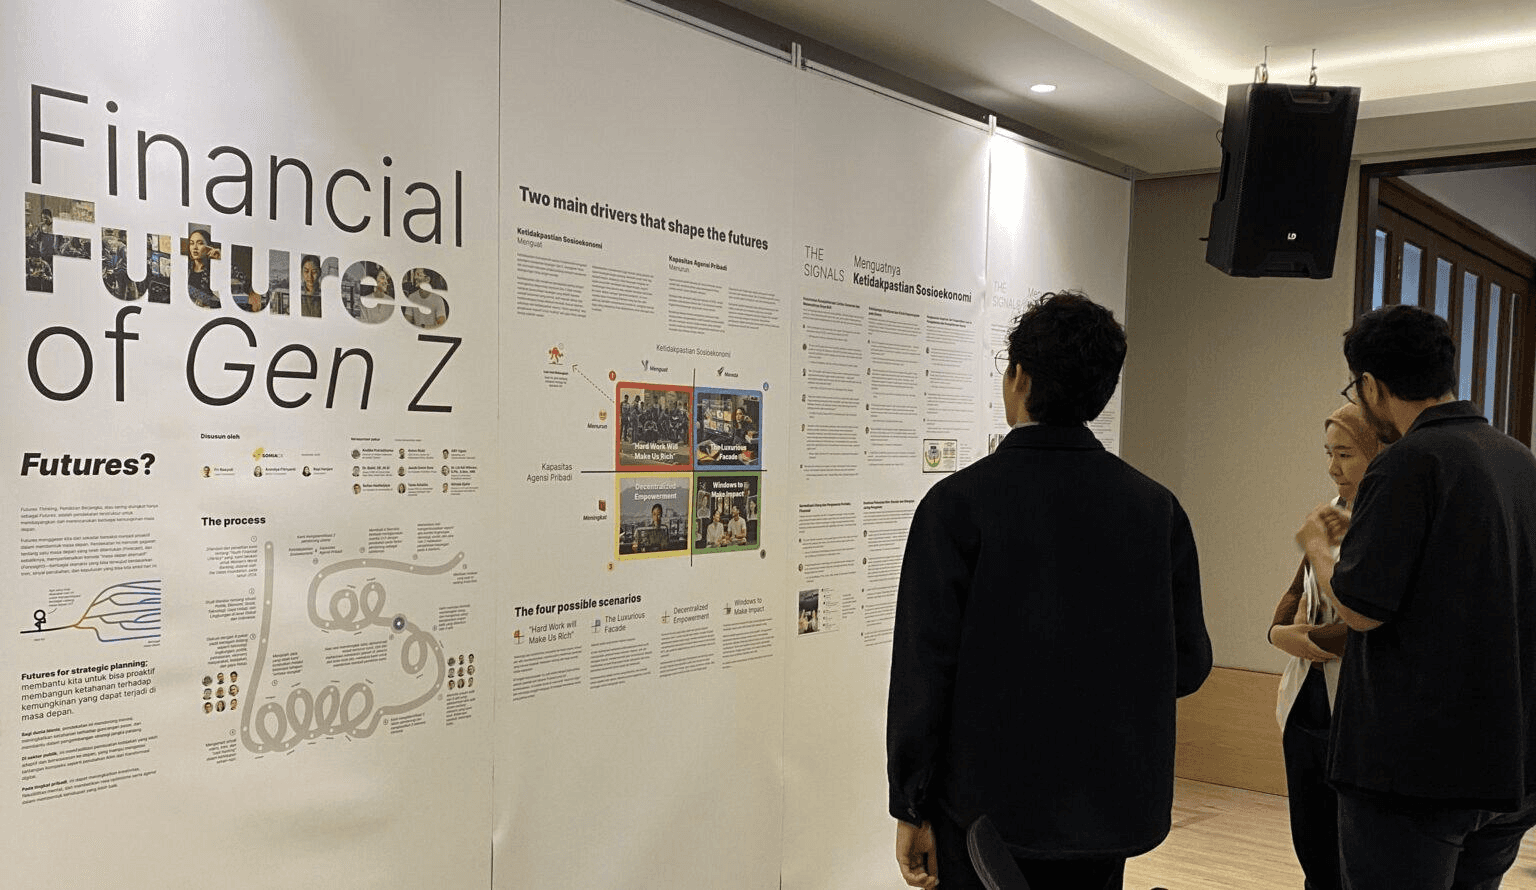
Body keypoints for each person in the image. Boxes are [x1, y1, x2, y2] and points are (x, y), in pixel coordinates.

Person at [887, 291, 1211, 890]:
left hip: (982, 813)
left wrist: (910, 803)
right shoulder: (1155, 509)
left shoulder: (957, 505)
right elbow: (1188, 664)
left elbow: (923, 672)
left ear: (1020, 378)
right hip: (1109, 811)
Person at [1296, 305, 1536, 889]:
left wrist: (1319, 548)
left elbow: (1361, 610)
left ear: (1371, 385)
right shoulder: (1518, 460)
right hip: (1508, 758)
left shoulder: (1408, 462)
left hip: (1415, 771)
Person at [1270, 403, 1381, 890]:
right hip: (1306, 701)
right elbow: (1294, 594)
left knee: (1351, 851)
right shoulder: (1332, 512)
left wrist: (1304, 638)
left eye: (1346, 454)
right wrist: (1279, 634)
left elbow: (1368, 622)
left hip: (1356, 707)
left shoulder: (1388, 523)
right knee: (1311, 845)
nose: (1333, 467)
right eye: (1328, 454)